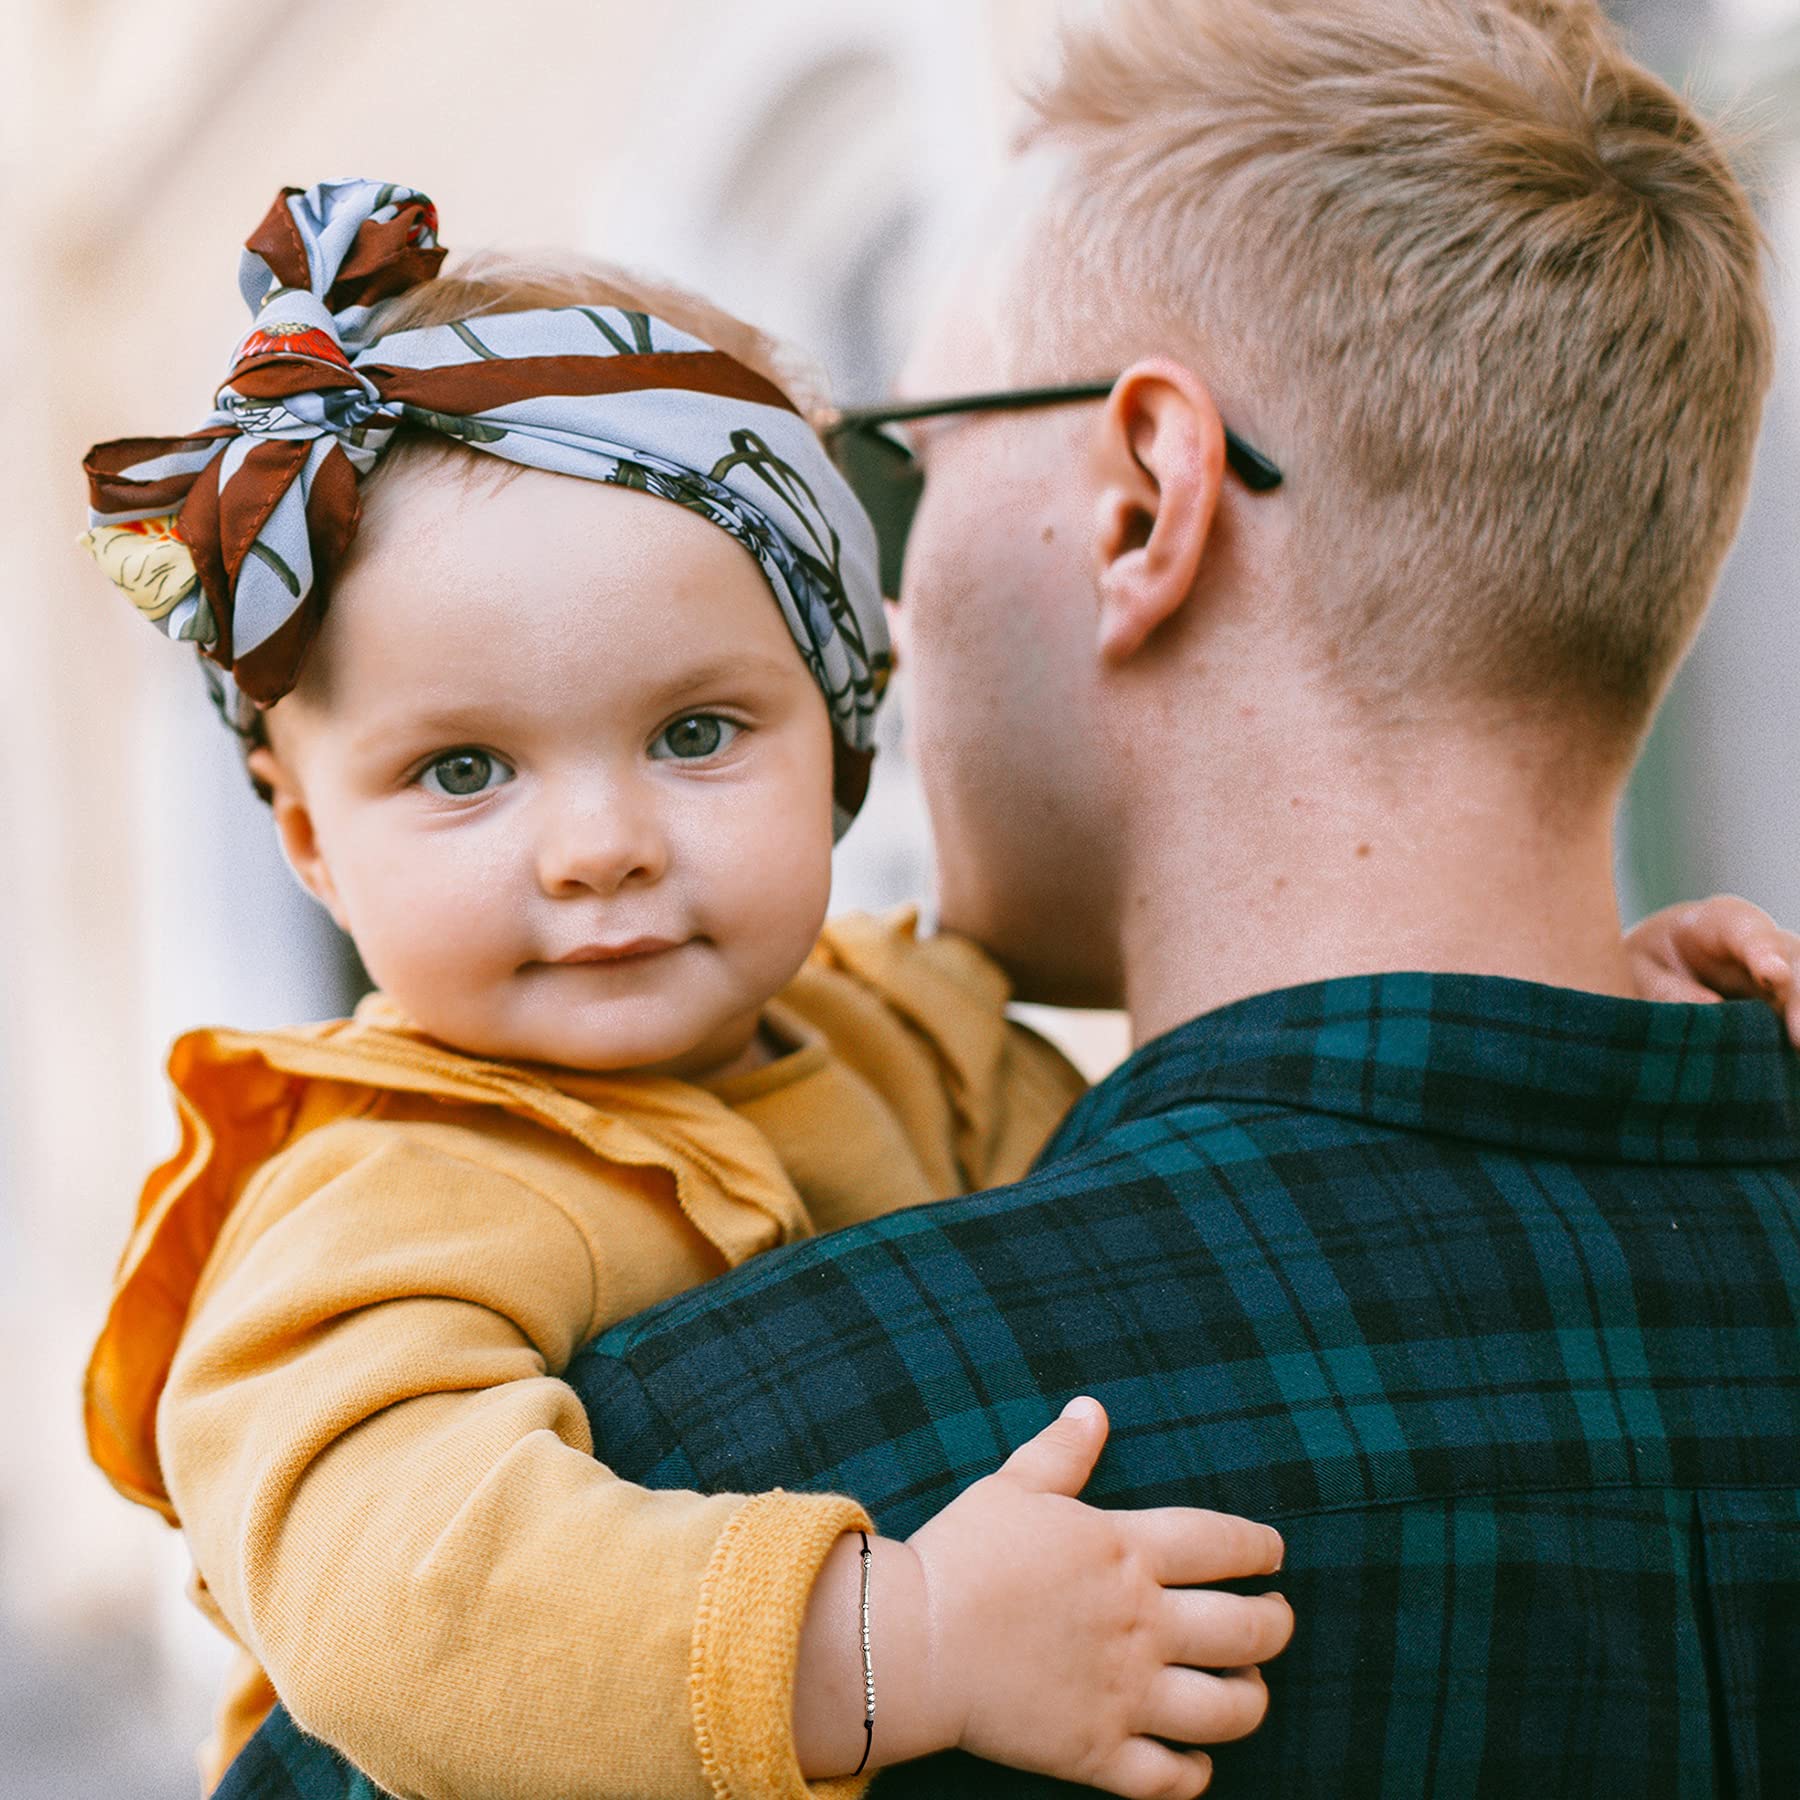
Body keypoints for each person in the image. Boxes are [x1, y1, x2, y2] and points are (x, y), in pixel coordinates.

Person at [212, 1, 1800, 1796]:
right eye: (466, 769)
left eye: (917, 454)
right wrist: (1613, 999)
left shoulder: (726, 1468)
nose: (890, 614)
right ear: (307, 827)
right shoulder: (478, 1355)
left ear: (1142, 506)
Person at [79, 180, 1301, 1800]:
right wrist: (905, 1638)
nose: (599, 848)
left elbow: (1215, 1078)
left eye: (697, 734)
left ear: (842, 741)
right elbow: (414, 1606)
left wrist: (1586, 973)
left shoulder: (910, 1032)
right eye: (464, 768)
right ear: (308, 836)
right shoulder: (383, 1194)